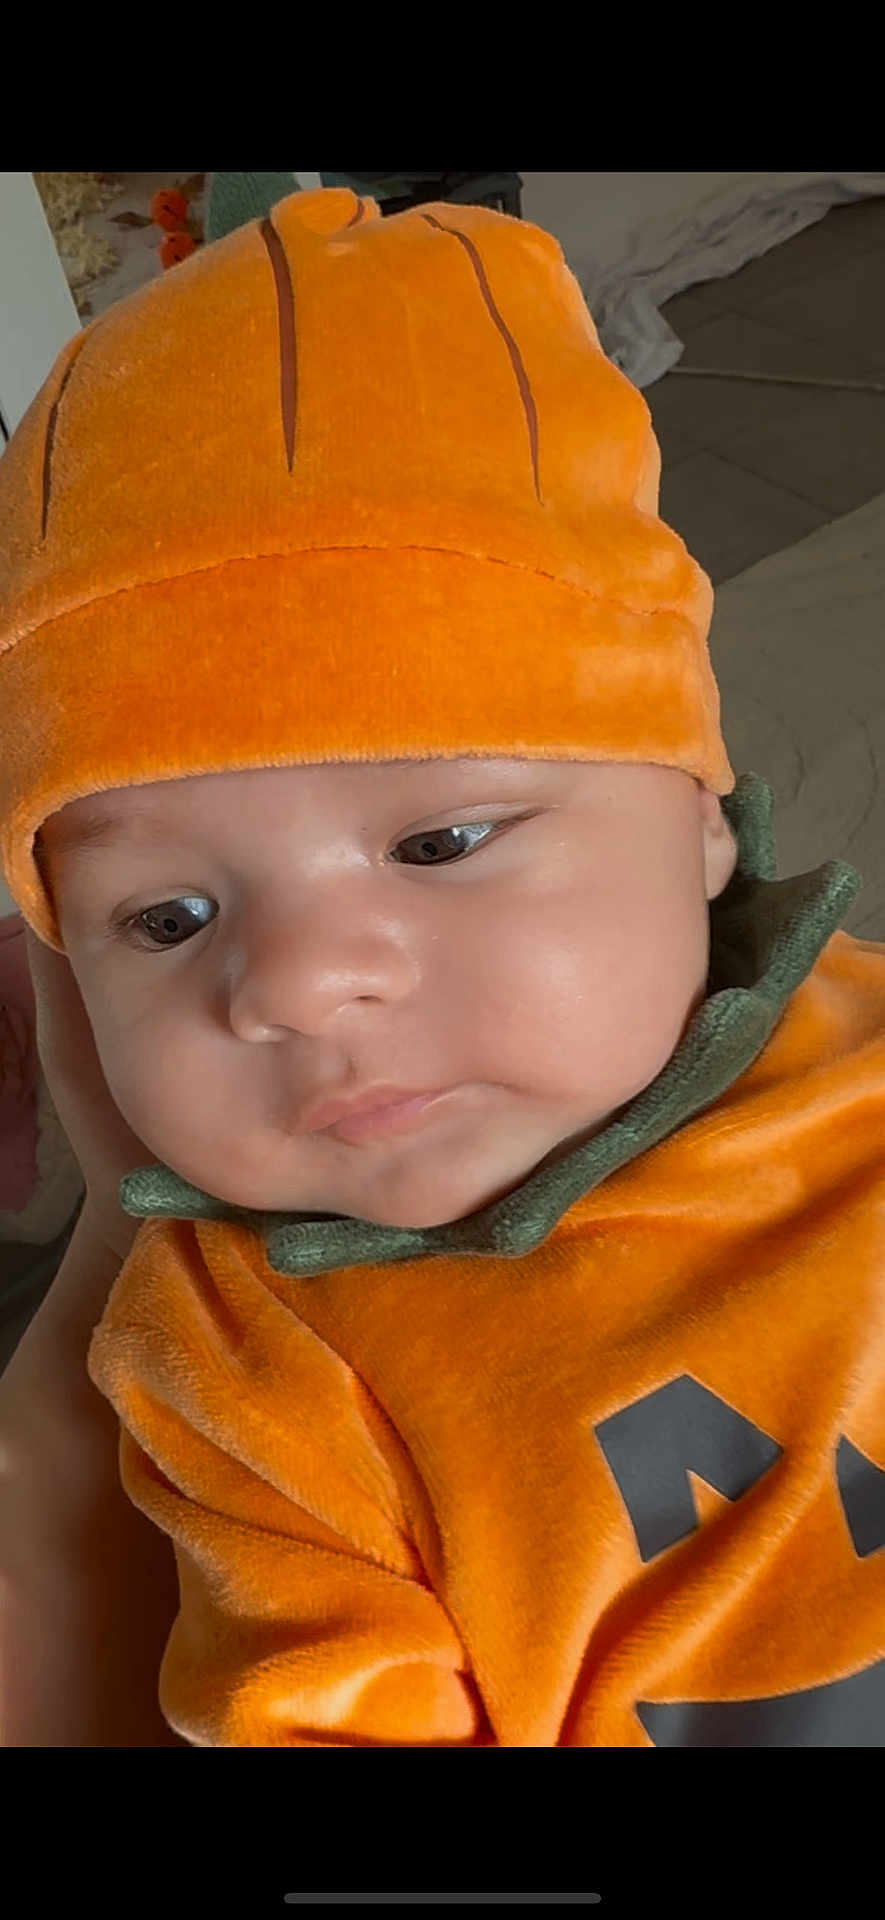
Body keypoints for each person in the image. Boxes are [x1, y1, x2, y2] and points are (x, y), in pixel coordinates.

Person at [1, 179, 883, 1749]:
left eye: (440, 843)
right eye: (168, 920)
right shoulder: (250, 1377)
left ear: (697, 822)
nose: (293, 987)